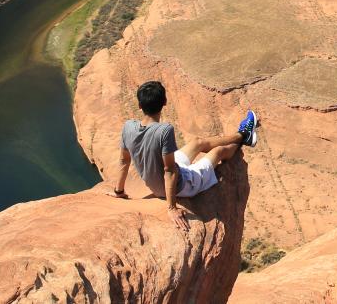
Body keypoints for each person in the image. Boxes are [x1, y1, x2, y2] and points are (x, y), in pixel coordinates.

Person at [108, 80, 258, 230]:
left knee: (197, 143)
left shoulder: (128, 126)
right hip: (183, 185)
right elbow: (170, 171)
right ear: (164, 102)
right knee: (218, 152)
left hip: (163, 178)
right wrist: (171, 208)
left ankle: (242, 135)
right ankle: (245, 136)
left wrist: (119, 191)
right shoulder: (164, 130)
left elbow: (123, 160)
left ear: (140, 105)